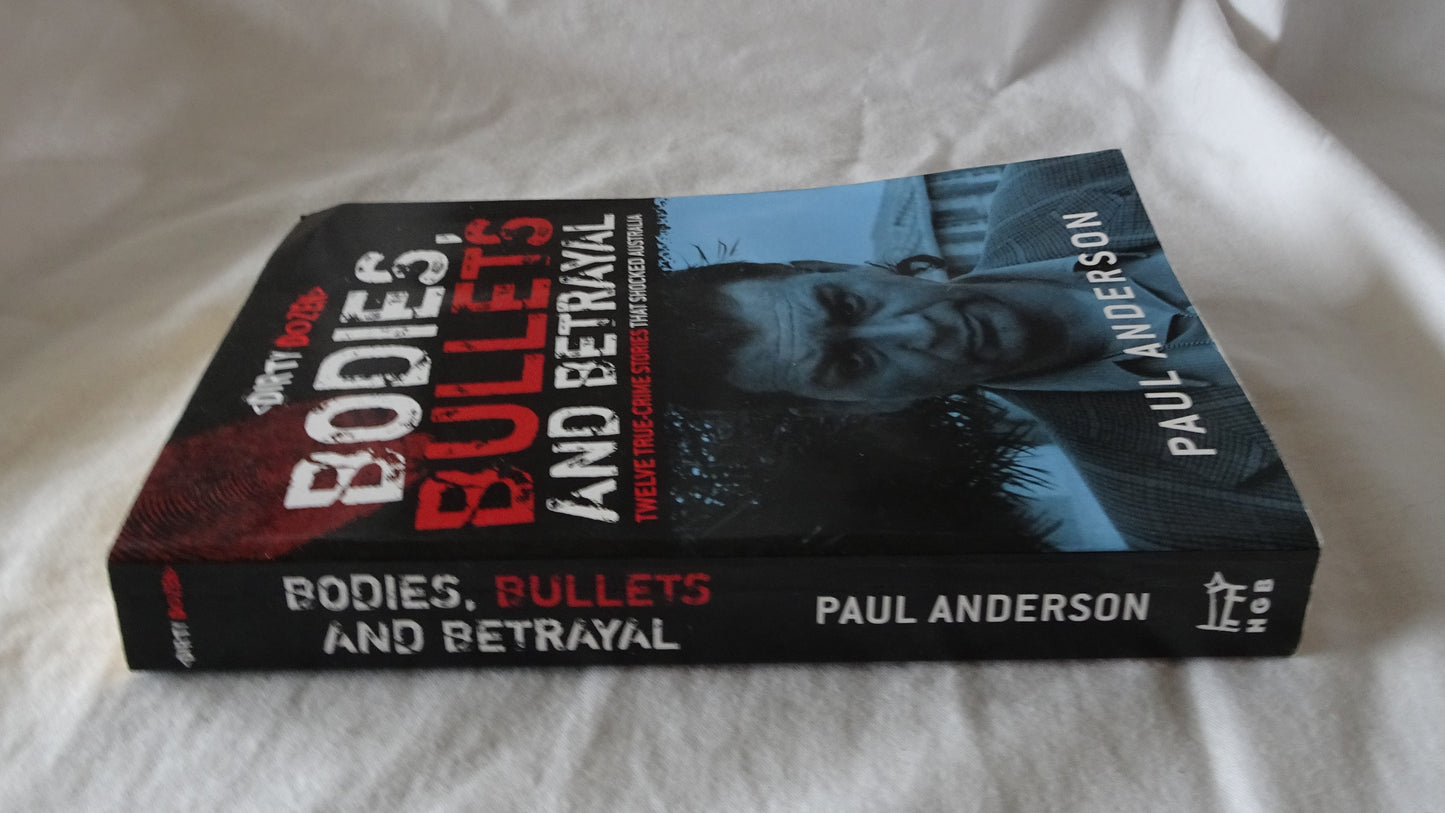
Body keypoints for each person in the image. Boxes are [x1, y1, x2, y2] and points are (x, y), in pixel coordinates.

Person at [654, 152, 1315, 551]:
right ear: (859, 408)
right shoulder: (1177, 515)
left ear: (832, 265)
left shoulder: (1072, 169)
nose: (918, 333)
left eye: (847, 305)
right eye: (850, 364)